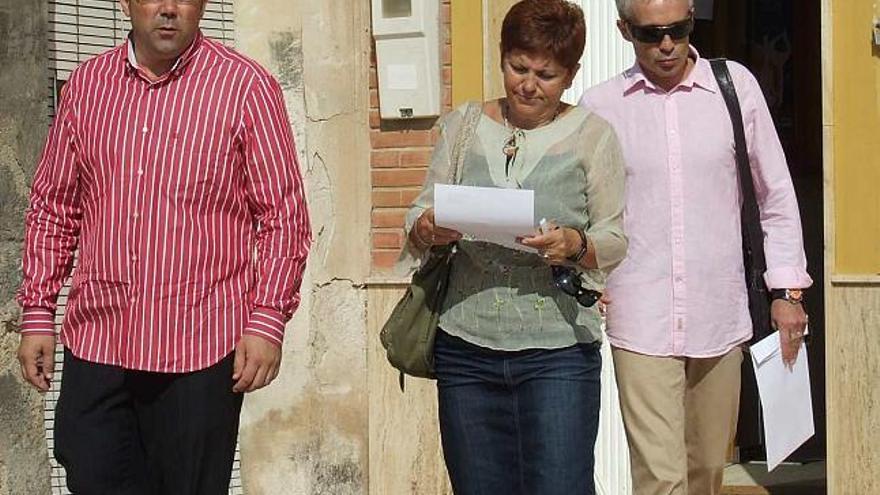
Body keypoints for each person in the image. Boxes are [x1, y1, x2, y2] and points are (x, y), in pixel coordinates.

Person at [15, 0, 311, 493]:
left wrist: (267, 320)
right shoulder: (88, 88)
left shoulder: (244, 87)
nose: (169, 9)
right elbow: (54, 206)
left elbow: (283, 216)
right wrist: (38, 311)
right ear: (127, 3)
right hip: (100, 341)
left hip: (198, 349)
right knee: (90, 473)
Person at [579, 0, 812, 494]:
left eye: (677, 29)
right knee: (661, 478)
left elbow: (775, 193)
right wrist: (588, 274)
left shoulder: (735, 88)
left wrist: (788, 292)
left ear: (692, 22)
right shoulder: (601, 106)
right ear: (624, 30)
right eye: (650, 34)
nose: (666, 44)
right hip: (640, 314)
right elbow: (579, 204)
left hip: (720, 312)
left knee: (707, 470)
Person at [401, 1, 627, 492]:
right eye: (517, 67)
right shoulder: (461, 127)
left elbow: (614, 240)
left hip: (559, 351)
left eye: (545, 74)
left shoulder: (594, 137)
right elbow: (417, 216)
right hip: (465, 346)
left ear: (570, 75)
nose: (528, 84)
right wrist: (427, 227)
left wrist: (573, 243)